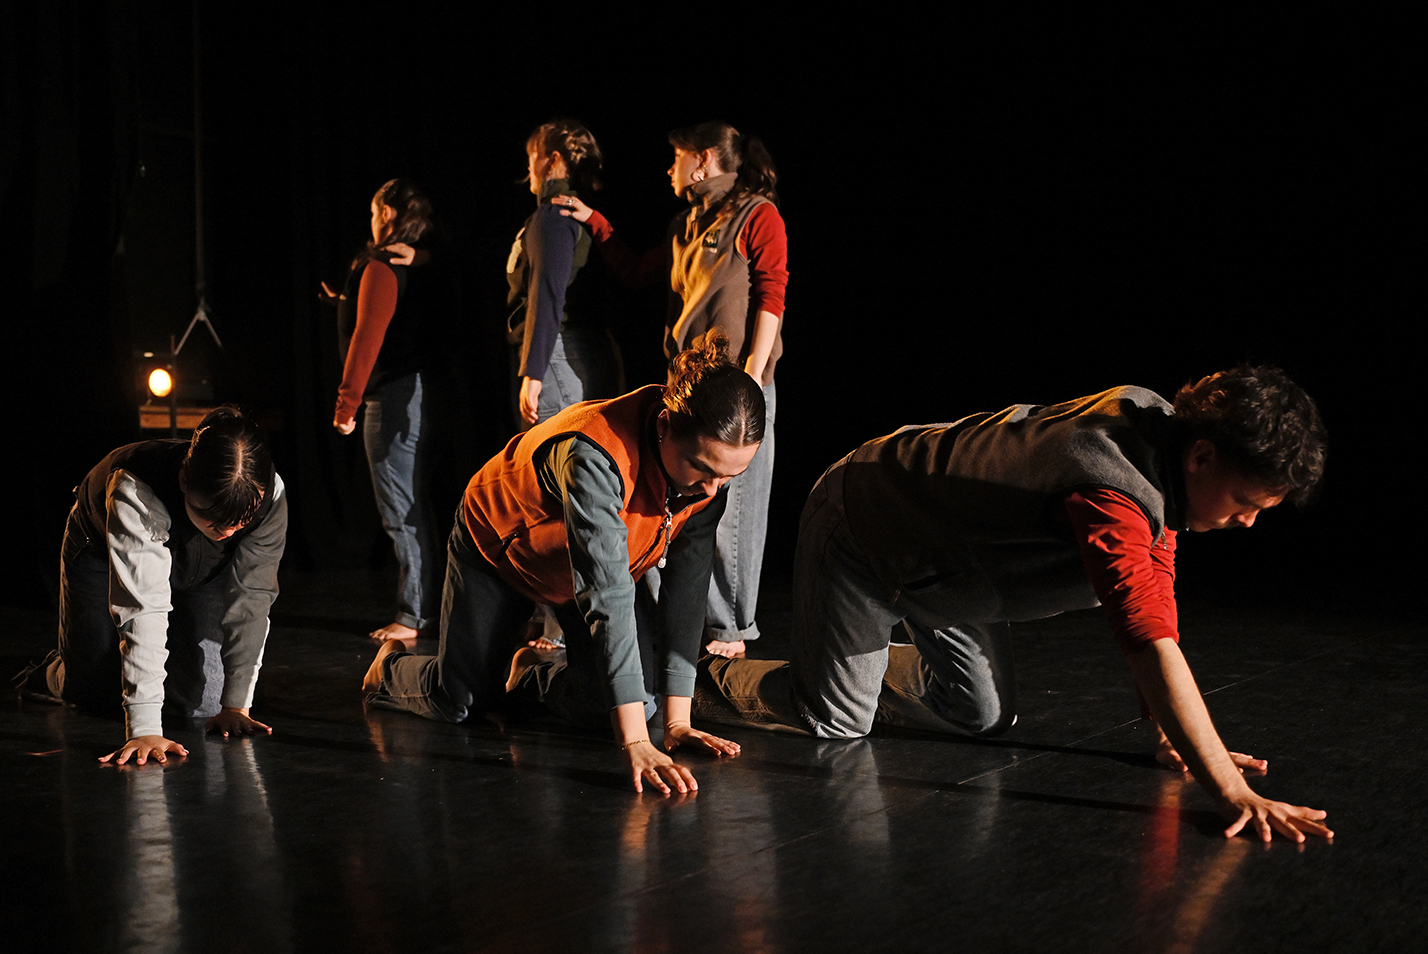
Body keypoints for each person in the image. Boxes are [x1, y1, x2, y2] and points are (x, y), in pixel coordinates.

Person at [695, 366, 1335, 843]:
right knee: (838, 721)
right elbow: (1145, 635)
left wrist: (1170, 733)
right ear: (1203, 457)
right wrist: (1227, 787)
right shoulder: (1111, 489)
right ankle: (706, 676)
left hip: (947, 565)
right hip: (869, 524)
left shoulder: (1161, 442)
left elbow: (1157, 592)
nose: (1248, 522)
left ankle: (840, 658)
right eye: (1248, 502)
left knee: (982, 714)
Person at [364, 335, 761, 795]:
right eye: (702, 468)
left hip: (574, 568)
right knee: (461, 703)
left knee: (631, 702)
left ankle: (529, 674)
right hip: (498, 550)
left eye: (730, 475)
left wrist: (676, 723)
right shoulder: (595, 453)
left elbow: (687, 590)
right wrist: (634, 741)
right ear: (666, 426)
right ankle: (389, 671)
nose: (714, 490)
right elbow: (606, 593)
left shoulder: (710, 477)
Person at [559, 121, 789, 658]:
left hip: (738, 390)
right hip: (689, 388)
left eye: (678, 158)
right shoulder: (687, 222)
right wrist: (594, 221)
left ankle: (729, 629)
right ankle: (682, 627)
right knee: (678, 505)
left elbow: (772, 293)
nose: (670, 169)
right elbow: (639, 273)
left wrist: (753, 375)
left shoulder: (758, 214)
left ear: (704, 159)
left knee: (733, 511)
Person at [17, 406, 287, 765]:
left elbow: (253, 598)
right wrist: (145, 729)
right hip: (101, 553)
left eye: (239, 524)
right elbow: (143, 605)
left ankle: (143, 667)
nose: (225, 533)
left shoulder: (270, 495)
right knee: (91, 691)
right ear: (184, 483)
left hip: (202, 569)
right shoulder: (136, 486)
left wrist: (236, 704)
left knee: (204, 702)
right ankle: (59, 668)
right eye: (211, 517)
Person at [330, 178, 440, 642]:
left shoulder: (381, 266)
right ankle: (422, 609)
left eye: (376, 210)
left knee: (400, 507)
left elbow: (367, 338)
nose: (371, 219)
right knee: (409, 504)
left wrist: (346, 401)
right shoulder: (401, 265)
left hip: (391, 397)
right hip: (405, 393)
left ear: (390, 214)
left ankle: (413, 614)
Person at [507, 119, 622, 429]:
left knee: (549, 473)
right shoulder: (581, 214)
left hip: (558, 359)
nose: (529, 165)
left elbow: (546, 292)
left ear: (553, 161)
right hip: (589, 356)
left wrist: (534, 371)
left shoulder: (553, 217)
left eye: (534, 155)